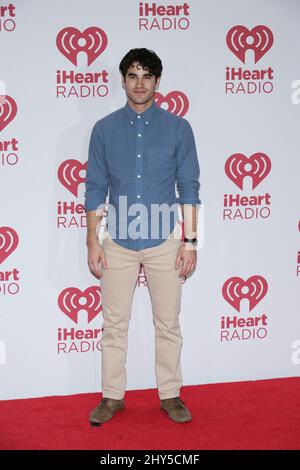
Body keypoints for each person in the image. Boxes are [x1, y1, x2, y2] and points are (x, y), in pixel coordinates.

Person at [84, 48, 201, 425]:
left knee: (168, 323)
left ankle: (170, 395)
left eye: (147, 76)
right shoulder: (103, 130)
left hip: (165, 241)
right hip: (116, 241)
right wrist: (91, 240)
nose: (139, 83)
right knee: (113, 325)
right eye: (132, 75)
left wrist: (191, 242)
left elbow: (189, 187)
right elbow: (94, 188)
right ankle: (111, 397)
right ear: (122, 80)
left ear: (157, 82)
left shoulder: (178, 129)